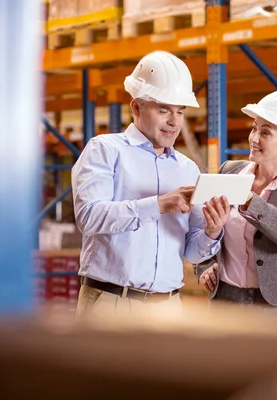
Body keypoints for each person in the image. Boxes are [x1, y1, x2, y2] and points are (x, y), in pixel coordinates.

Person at [72, 51, 230, 319]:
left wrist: (212, 233)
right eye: (163, 110)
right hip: (111, 303)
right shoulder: (105, 150)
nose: (174, 121)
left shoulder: (187, 168)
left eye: (180, 112)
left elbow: (192, 252)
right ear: (136, 107)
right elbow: (88, 217)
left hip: (168, 308)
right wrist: (158, 205)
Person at [194, 89, 277, 322]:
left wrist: (250, 201)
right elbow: (205, 228)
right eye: (254, 128)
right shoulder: (230, 171)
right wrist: (205, 264)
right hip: (226, 300)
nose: (253, 138)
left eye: (265, 132)